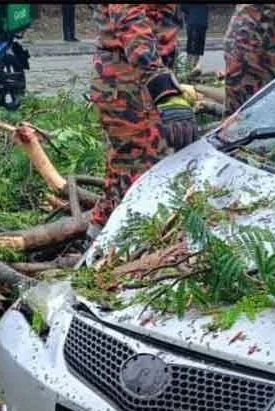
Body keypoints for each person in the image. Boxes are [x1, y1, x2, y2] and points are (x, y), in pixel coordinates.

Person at [89, 4, 198, 239]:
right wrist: (162, 87)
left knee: (124, 171)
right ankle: (120, 251)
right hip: (129, 81)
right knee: (141, 175)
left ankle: (97, 241)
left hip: (137, 77)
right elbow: (129, 20)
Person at [180, 4, 210, 74]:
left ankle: (193, 71)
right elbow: (183, 8)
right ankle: (187, 71)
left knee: (198, 50)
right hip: (194, 23)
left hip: (202, 24)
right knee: (192, 50)